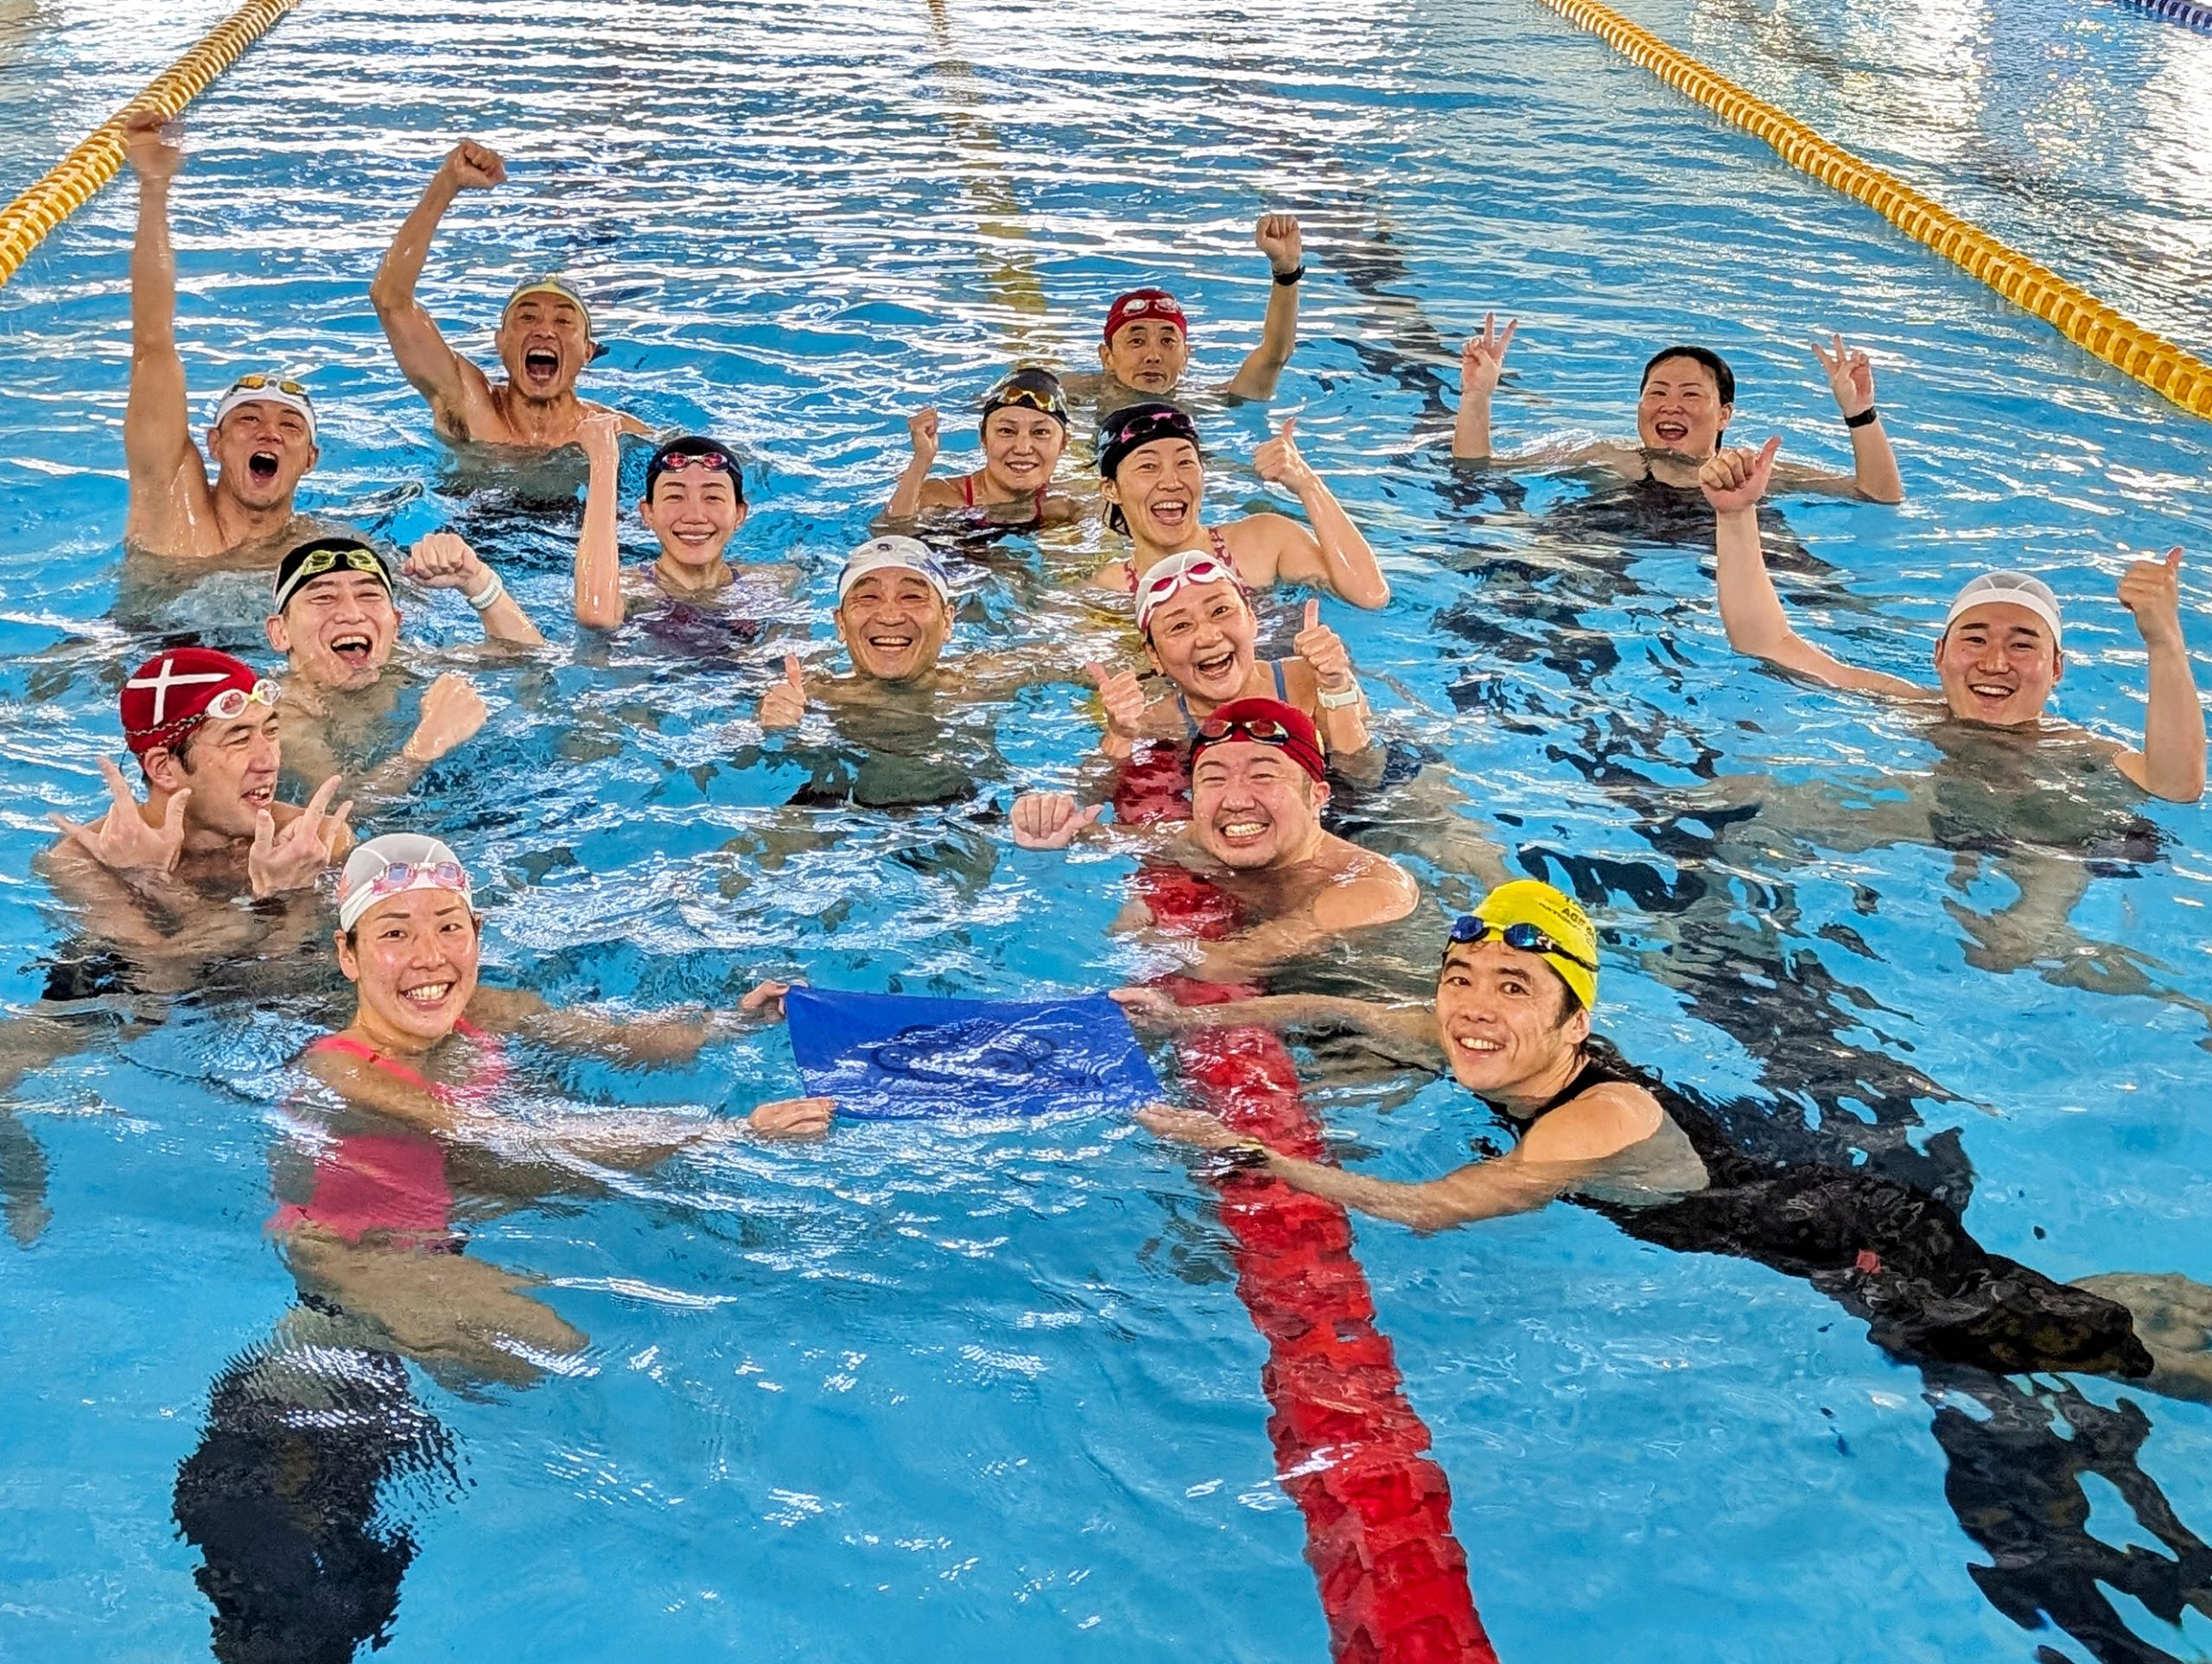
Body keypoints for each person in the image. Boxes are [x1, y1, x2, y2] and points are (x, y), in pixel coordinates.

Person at [1132, 880, 2212, 1663]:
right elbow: (1336, 1011)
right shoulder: (1469, 1033)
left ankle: (2178, 1333)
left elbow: (1427, 1210)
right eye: (1460, 980)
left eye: (1512, 987)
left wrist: (1255, 1155)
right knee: (2029, 1335)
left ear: (1574, 1020)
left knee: (2071, 1347)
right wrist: (1195, 1016)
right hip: (1814, 1211)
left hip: (1845, 1242)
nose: (1471, 1006)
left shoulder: (1587, 1122)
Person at [1703, 437, 2205, 803]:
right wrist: (1736, 517)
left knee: (2033, 910)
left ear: (2056, 669)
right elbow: (1766, 642)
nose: (1995, 663)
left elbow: (2175, 786)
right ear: (1939, 654)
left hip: (2048, 846)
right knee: (1752, 802)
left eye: (2022, 644)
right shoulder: (1908, 706)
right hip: (1922, 819)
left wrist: (2164, 641)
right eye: (1976, 639)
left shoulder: (2077, 752)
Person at [1012, 697, 1417, 984]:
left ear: (1317, 797)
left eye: (1263, 776)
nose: (1236, 800)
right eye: (1214, 779)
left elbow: (1225, 965)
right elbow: (1103, 837)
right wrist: (1047, 828)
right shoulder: (1196, 840)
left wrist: (1139, 933)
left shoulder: (1370, 887)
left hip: (1360, 1008)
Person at [121, 111, 324, 559]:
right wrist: (153, 187)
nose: (269, 434)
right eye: (248, 419)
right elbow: (153, 343)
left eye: (290, 425)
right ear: (215, 443)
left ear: (311, 459)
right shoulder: (170, 502)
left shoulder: (324, 552)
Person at [44, 648, 352, 931]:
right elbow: (158, 969)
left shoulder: (315, 843)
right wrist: (143, 877)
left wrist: (289, 895)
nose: (269, 762)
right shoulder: (87, 860)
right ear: (163, 769)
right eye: (239, 740)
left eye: (271, 732)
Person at [370, 139, 648, 449]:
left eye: (563, 321)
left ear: (588, 351)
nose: (544, 331)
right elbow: (390, 300)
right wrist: (447, 182)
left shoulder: (618, 432)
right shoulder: (469, 406)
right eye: (527, 317)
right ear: (500, 342)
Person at [1449, 318, 1904, 503]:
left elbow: (1879, 496)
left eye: (1690, 395)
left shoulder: (1755, 474)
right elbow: (1477, 469)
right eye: (1658, 393)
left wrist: (1860, 412)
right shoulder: (1606, 457)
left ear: (1724, 414)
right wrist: (1477, 396)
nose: (1671, 406)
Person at [268, 532, 540, 797]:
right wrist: (426, 746)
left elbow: (529, 656)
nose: (352, 613)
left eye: (368, 595)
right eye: (324, 597)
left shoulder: (404, 666)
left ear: (396, 624)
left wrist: (477, 580)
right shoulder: (279, 717)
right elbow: (339, 808)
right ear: (280, 633)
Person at [1090, 403, 1389, 608]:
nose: (1172, 481)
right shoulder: (1110, 590)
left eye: (1185, 463)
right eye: (1148, 466)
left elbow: (1369, 595)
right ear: (1111, 489)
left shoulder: (1263, 542)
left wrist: (1309, 485)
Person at [1089, 552, 1374, 763]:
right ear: (1153, 655)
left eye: (1220, 611)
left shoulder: (1313, 680)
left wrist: (1336, 689)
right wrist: (1119, 738)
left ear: (1252, 618)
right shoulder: (1155, 726)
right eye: (1180, 626)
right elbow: (1095, 801)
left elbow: (1363, 774)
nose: (1208, 636)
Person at [574, 416, 793, 639]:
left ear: (739, 514)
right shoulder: (631, 590)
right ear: (648, 513)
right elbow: (596, 614)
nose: (694, 516)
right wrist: (604, 461)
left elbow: (797, 652)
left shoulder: (773, 584)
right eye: (675, 497)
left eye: (712, 497)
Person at [1093, 214, 1306, 405]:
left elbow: (1274, 356)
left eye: (1167, 341)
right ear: (1107, 357)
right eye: (1136, 341)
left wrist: (1286, 273)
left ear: (1185, 357)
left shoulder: (1202, 401)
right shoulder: (1078, 397)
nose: (1154, 356)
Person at [886, 367, 1083, 526]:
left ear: (1063, 443)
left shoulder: (1066, 504)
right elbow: (891, 532)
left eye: (1040, 432)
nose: (1022, 448)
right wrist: (921, 460)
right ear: (983, 437)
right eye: (1007, 431)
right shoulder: (941, 497)